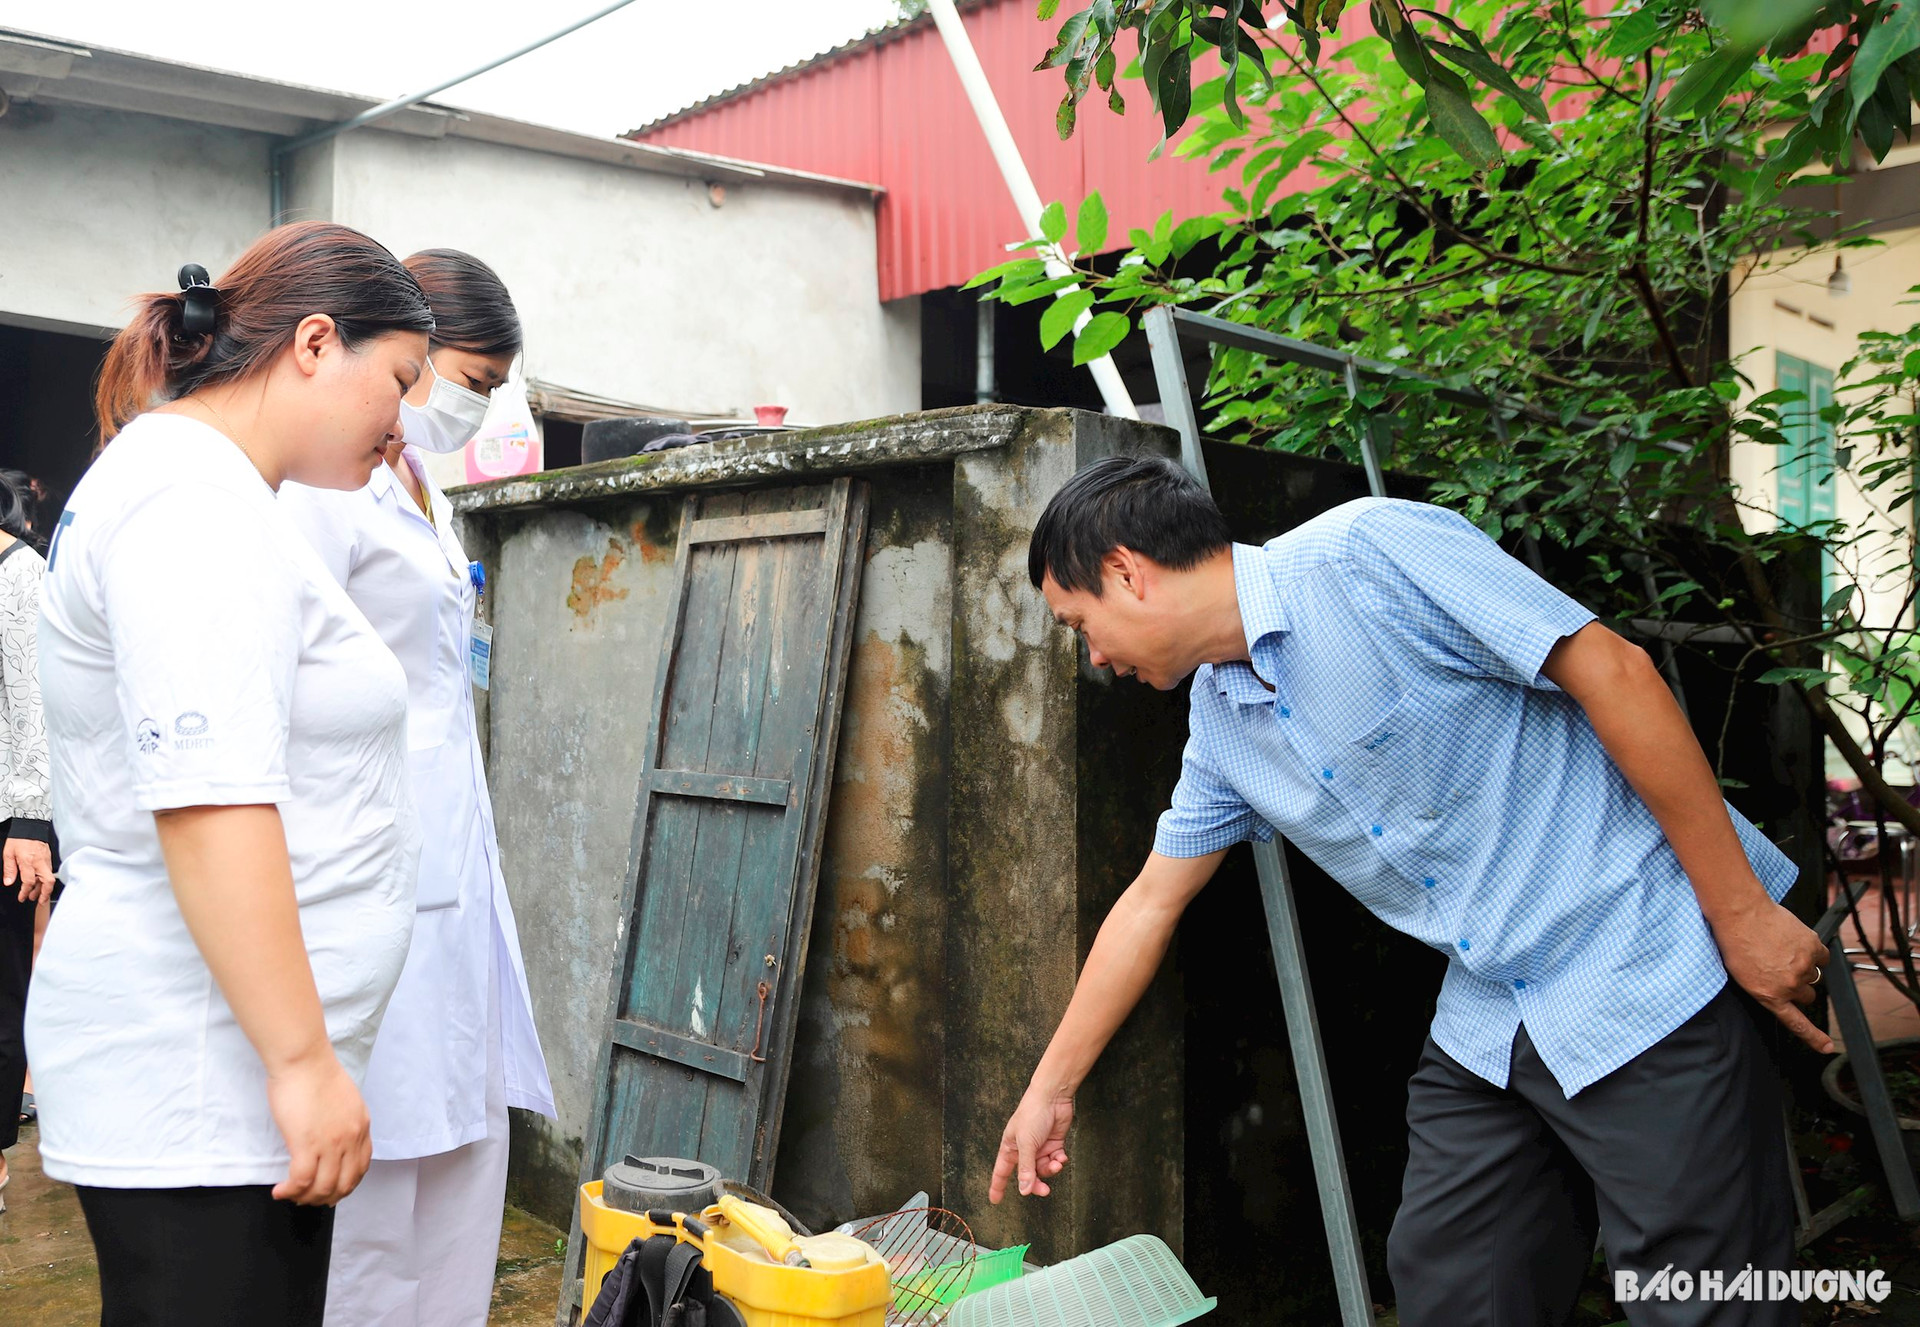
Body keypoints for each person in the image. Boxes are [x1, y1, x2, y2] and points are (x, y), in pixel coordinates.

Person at [990, 456, 1826, 1327]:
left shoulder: (1368, 554)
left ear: (1128, 572)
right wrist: (1052, 1085)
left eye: (1080, 623)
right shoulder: (1220, 723)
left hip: (1642, 965)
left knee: (1704, 1300)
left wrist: (1742, 914)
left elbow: (1612, 671)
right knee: (1453, 1287)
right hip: (1493, 1019)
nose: (1094, 655)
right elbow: (1152, 900)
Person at [25, 222, 434, 1326]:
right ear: (314, 344)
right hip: (201, 1081)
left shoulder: (207, 486)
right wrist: (304, 1063)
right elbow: (209, 802)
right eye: (398, 378)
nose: (403, 422)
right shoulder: (189, 500)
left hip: (221, 1082)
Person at [279, 248, 555, 1327]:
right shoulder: (321, 489)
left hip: (448, 865)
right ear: (408, 346)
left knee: (462, 1161)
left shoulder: (423, 485)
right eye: (468, 381)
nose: (471, 408)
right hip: (359, 868)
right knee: (374, 1190)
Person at [0, 469, 54, 1211]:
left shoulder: (20, 573)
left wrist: (30, 823)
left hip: (6, 820)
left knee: (4, 980)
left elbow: (36, 703)